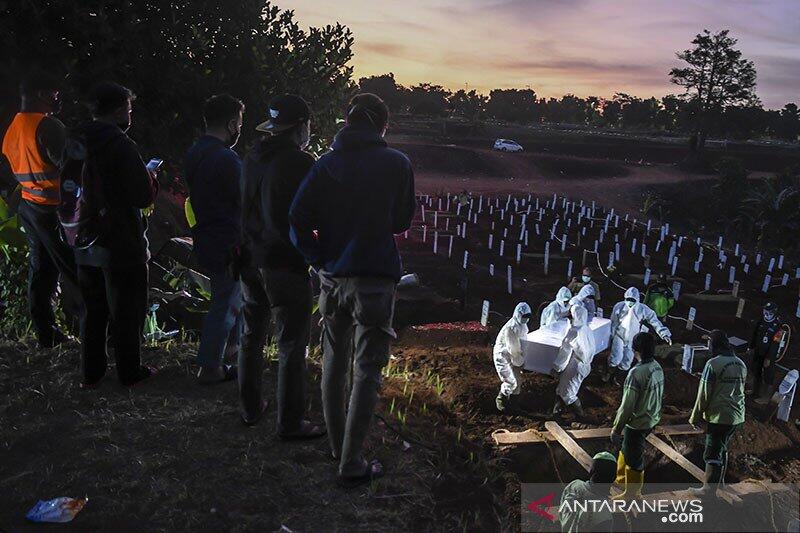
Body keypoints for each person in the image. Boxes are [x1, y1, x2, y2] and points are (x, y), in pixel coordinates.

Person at [289, 92, 415, 486]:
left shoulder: (326, 164)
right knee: (367, 370)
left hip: (332, 279)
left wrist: (318, 259)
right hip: (375, 281)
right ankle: (351, 460)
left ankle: (335, 445)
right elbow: (400, 222)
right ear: (382, 125)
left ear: (346, 122)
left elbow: (296, 216)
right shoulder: (397, 163)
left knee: (333, 361)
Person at [238, 94, 325, 440]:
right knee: (291, 342)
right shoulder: (300, 163)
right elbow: (313, 213)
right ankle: (290, 422)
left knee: (251, 334)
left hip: (249, 257)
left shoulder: (252, 157)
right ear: (300, 127)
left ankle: (249, 407)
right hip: (283, 263)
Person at [74, 82, 158, 387]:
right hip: (120, 239)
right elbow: (142, 196)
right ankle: (129, 370)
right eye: (129, 108)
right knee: (127, 307)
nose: (131, 114)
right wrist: (151, 178)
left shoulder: (78, 142)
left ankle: (91, 372)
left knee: (93, 310)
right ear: (119, 109)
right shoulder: (121, 145)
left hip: (84, 236)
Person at [1, 71, 77, 348]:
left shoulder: (13, 127)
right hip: (53, 211)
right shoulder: (48, 127)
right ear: (40, 95)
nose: (56, 98)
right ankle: (98, 331)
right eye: (53, 93)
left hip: (29, 208)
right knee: (74, 268)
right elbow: (70, 168)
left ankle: (46, 333)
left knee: (41, 270)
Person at [184, 94, 244, 384]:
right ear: (232, 124)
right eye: (240, 123)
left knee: (232, 298)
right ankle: (210, 366)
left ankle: (231, 352)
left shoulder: (195, 152)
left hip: (206, 235)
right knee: (226, 303)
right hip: (227, 239)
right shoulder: (227, 159)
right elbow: (243, 200)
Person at [688, 330, 746, 498]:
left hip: (719, 416)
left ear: (714, 344)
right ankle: (720, 483)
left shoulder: (713, 364)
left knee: (712, 452)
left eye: (709, 343)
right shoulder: (740, 363)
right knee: (723, 448)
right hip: (736, 416)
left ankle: (708, 490)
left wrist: (695, 417)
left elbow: (703, 394)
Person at [610, 332, 664, 500]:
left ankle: (632, 494)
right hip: (651, 418)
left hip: (638, 423)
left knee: (634, 459)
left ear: (635, 350)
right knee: (627, 449)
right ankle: (620, 480)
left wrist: (616, 428)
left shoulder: (636, 373)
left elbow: (627, 406)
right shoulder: (656, 367)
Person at [605, 287, 671, 384]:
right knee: (616, 358)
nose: (630, 302)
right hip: (619, 336)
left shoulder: (642, 309)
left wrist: (663, 333)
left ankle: (617, 378)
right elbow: (613, 322)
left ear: (637, 300)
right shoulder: (619, 306)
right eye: (628, 299)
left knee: (626, 362)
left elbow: (654, 320)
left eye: (632, 300)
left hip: (632, 338)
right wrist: (610, 336)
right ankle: (608, 373)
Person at [552, 305, 597, 417]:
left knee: (568, 393)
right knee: (562, 389)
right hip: (585, 364)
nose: (569, 320)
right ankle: (556, 412)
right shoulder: (587, 329)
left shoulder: (574, 332)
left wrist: (557, 368)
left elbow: (565, 352)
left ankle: (580, 416)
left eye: (571, 317)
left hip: (576, 366)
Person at [558, 451, 617, 533]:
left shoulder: (573, 486)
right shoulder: (604, 516)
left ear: (591, 471)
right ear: (614, 477)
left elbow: (561, 514)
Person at [493, 302, 532, 412]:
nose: (526, 319)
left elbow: (522, 343)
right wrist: (522, 363)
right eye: (524, 316)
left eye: (528, 316)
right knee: (510, 381)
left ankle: (514, 405)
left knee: (518, 381)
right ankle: (501, 400)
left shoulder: (522, 325)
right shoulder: (512, 328)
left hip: (514, 355)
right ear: (518, 314)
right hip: (503, 356)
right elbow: (513, 349)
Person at [748, 302, 786, 398]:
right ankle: (754, 391)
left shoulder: (778, 325)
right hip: (758, 350)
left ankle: (766, 397)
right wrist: (751, 347)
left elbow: (775, 343)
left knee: (768, 376)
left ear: (774, 312)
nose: (766, 314)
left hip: (768, 353)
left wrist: (769, 358)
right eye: (765, 311)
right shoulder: (761, 320)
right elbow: (754, 334)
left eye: (769, 312)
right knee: (755, 371)